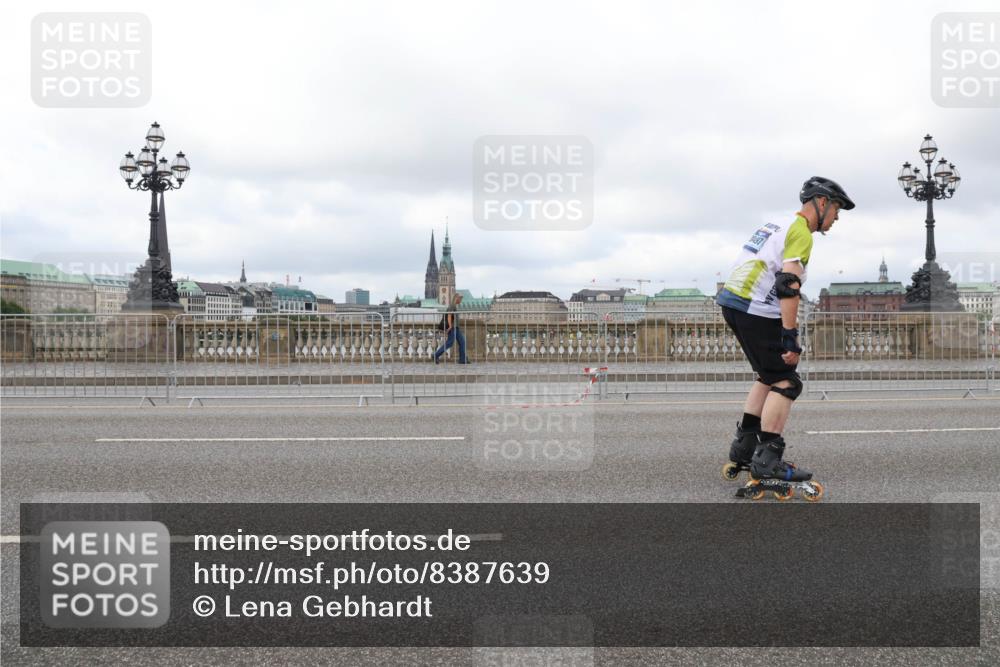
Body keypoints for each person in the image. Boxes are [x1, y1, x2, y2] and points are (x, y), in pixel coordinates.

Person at [716, 176, 855, 489]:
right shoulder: (802, 233)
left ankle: (745, 449)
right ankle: (768, 460)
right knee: (786, 380)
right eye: (836, 210)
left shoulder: (776, 223)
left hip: (733, 302)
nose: (836, 218)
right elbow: (787, 286)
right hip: (756, 309)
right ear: (822, 202)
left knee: (767, 375)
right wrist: (790, 337)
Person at [434, 293, 469, 364]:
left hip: (456, 327)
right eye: (460, 299)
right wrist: (450, 326)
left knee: (462, 342)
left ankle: (462, 359)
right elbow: (449, 316)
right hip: (453, 328)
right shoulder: (452, 306)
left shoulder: (454, 306)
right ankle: (435, 355)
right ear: (456, 298)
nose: (461, 300)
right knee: (449, 343)